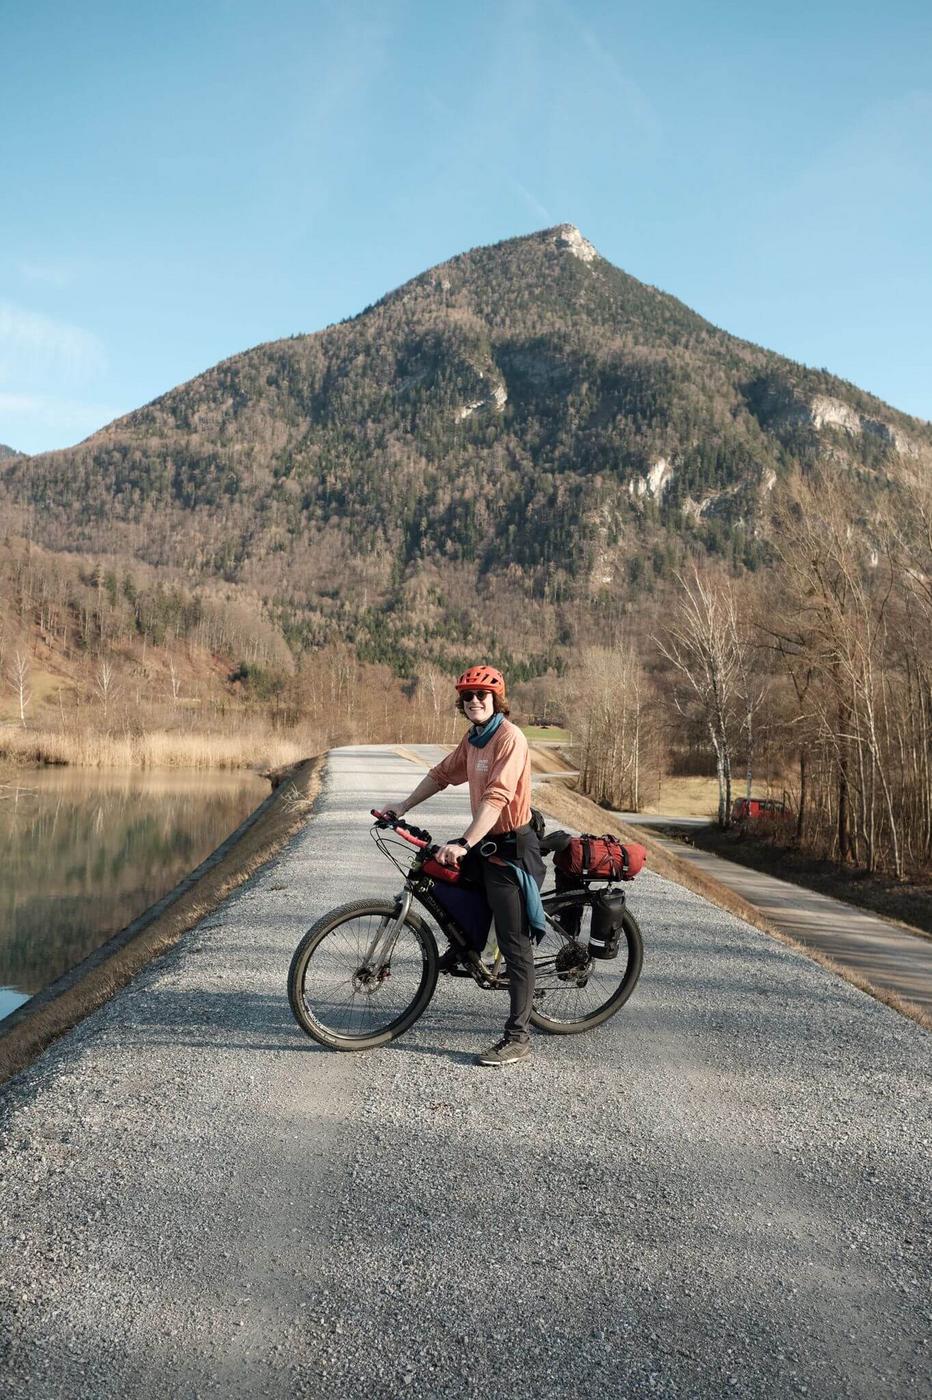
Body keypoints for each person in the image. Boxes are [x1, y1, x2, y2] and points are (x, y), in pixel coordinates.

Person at [379, 665, 545, 1067]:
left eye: (481, 696)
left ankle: (519, 1037)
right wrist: (400, 807)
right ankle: (469, 950)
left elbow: (497, 798)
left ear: (496, 700)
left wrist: (465, 841)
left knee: (514, 944)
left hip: (511, 850)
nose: (474, 701)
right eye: (468, 696)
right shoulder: (473, 740)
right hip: (487, 844)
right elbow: (440, 775)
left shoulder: (510, 738)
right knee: (447, 886)